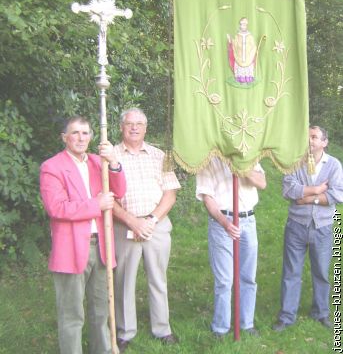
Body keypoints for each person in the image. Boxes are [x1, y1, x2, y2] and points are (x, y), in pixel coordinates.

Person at [40, 116, 126, 354]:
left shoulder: (98, 162)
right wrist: (95, 204)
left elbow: (118, 191)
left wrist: (115, 162)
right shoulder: (52, 167)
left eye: (85, 133)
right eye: (75, 133)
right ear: (64, 137)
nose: (80, 138)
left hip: (102, 247)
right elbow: (56, 208)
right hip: (71, 250)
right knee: (72, 314)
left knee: (101, 310)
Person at [111, 108, 181, 353]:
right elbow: (107, 198)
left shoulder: (159, 155)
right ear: (121, 127)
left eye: (139, 123)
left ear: (146, 127)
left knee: (158, 279)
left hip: (156, 226)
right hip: (124, 227)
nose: (134, 128)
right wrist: (132, 221)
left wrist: (150, 220)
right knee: (124, 281)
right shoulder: (111, 157)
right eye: (129, 123)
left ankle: (162, 329)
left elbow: (170, 194)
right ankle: (125, 332)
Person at [273, 125, 343, 332]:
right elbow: (288, 190)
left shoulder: (334, 165)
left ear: (324, 142)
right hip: (296, 225)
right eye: (308, 137)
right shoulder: (294, 163)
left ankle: (321, 312)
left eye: (314, 137)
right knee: (291, 271)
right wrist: (318, 190)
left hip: (322, 226)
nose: (310, 140)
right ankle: (286, 316)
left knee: (321, 271)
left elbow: (338, 195)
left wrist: (307, 199)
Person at [196, 157, 266, 337]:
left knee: (248, 276)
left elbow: (262, 183)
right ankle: (220, 327)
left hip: (248, 221)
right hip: (222, 222)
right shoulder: (209, 161)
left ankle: (246, 323)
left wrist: (242, 169)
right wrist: (224, 223)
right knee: (224, 279)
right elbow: (208, 198)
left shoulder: (248, 158)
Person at [227, 17, 257, 83]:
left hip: (248, 57)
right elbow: (234, 44)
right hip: (239, 57)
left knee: (248, 68)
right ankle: (240, 79)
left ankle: (248, 79)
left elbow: (253, 46)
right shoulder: (238, 36)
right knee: (240, 68)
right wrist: (230, 40)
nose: (241, 26)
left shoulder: (250, 36)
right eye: (240, 24)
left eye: (243, 25)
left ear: (246, 25)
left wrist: (252, 51)